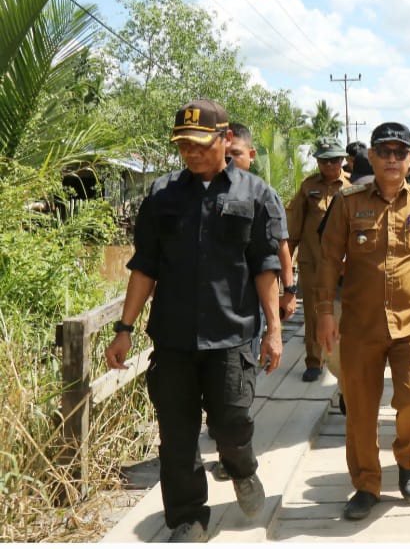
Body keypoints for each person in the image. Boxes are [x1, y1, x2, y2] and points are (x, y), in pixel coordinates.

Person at [104, 100, 287, 543]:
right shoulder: (163, 195)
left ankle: (241, 468)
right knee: (177, 436)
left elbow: (265, 266)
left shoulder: (254, 193)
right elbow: (145, 265)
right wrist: (124, 329)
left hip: (232, 335)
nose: (191, 153)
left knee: (231, 423)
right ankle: (189, 517)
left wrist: (274, 330)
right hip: (174, 338)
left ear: (225, 140)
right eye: (183, 145)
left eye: (200, 144)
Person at [314, 121, 410, 521]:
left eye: (400, 152)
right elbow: (327, 262)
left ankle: (408, 461)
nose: (392, 159)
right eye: (384, 152)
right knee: (360, 409)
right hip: (360, 324)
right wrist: (325, 313)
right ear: (371, 157)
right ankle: (366, 483)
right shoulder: (347, 201)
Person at [285, 136, 350, 382]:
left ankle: (343, 356)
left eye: (334, 160)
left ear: (342, 160)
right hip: (313, 262)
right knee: (314, 313)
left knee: (344, 311)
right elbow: (293, 230)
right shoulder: (307, 187)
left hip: (345, 264)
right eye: (323, 161)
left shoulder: (352, 188)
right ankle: (314, 360)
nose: (329, 165)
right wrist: (287, 268)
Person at [227, 123, 298, 323]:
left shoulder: (263, 194)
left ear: (251, 155)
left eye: (236, 153)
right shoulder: (205, 192)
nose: (229, 160)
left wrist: (289, 290)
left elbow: (281, 245)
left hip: (252, 297)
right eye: (225, 154)